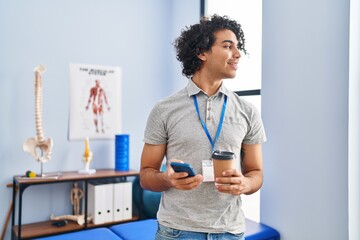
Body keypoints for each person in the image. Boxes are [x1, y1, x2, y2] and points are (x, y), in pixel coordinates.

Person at [140, 15, 266, 240]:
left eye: (238, 47)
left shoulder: (248, 111)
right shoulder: (164, 109)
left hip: (230, 232)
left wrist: (244, 184)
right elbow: (146, 175)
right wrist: (167, 179)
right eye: (228, 46)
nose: (237, 54)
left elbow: (256, 173)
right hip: (176, 232)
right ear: (202, 52)